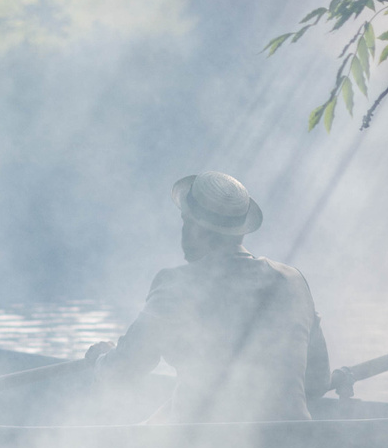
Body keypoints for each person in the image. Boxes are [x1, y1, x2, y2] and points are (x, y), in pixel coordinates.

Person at [86, 172, 330, 421]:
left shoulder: (177, 285)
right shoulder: (293, 280)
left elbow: (122, 371)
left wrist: (101, 360)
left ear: (194, 227)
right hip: (295, 446)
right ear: (240, 230)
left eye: (185, 221)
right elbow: (318, 382)